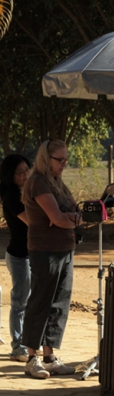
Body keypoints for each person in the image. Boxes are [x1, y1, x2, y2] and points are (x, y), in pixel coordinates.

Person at [21, 139, 82, 379]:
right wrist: (70, 218)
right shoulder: (37, 182)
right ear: (46, 159)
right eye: (60, 159)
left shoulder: (57, 182)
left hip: (65, 248)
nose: (64, 164)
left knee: (59, 304)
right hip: (45, 250)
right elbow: (57, 218)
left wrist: (71, 218)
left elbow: (74, 213)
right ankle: (32, 357)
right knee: (40, 302)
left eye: (66, 159)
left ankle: (50, 356)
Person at [1, 154, 32, 362]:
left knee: (28, 301)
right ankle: (18, 346)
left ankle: (27, 343)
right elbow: (32, 222)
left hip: (31, 255)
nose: (25, 175)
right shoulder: (12, 196)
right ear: (10, 176)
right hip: (19, 256)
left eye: (26, 171)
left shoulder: (27, 192)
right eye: (20, 173)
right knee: (20, 302)